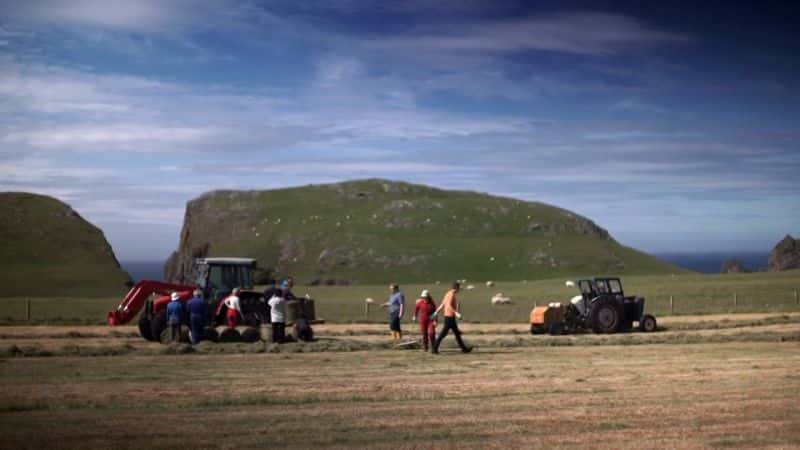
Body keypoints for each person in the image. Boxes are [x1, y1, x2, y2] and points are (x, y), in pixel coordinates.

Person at [432, 282, 472, 354]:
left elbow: (443, 304)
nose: (459, 289)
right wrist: (456, 313)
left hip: (449, 316)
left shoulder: (447, 293)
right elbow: (449, 305)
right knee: (443, 333)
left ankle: (464, 349)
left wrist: (436, 312)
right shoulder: (451, 295)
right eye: (459, 288)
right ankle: (434, 349)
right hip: (449, 317)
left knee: (457, 333)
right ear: (456, 288)